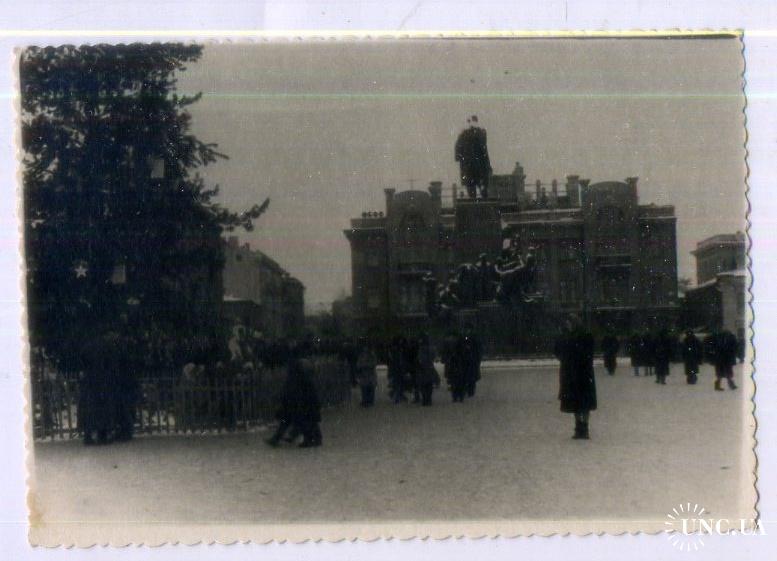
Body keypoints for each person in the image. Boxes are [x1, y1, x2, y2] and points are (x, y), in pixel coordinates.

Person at [266, 343, 322, 448]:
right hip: (303, 396)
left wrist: (286, 394)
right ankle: (311, 438)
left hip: (296, 398)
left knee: (296, 419)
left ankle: (307, 438)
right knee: (306, 418)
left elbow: (293, 383)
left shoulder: (295, 366)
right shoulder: (305, 363)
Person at [555, 315, 597, 440]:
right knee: (581, 403)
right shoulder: (581, 336)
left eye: (569, 323)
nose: (568, 325)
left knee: (579, 403)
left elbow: (559, 352)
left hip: (576, 374)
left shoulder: (570, 337)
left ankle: (581, 427)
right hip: (580, 374)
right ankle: (582, 427)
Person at [454, 115, 492, 199]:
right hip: (479, 166)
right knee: (483, 189)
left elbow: (457, 151)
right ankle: (484, 202)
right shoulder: (481, 133)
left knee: (472, 189)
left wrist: (460, 158)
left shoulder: (463, 134)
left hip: (468, 167)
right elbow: (484, 150)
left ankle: (476, 201)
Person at [416, 333, 440, 406]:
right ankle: (428, 399)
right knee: (429, 385)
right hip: (429, 367)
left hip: (422, 368)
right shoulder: (431, 348)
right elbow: (435, 358)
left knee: (423, 385)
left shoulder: (420, 348)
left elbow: (419, 358)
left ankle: (425, 399)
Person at [461, 324, 482, 398]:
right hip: (470, 360)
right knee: (470, 376)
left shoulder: (469, 337)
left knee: (469, 376)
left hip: (470, 360)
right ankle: (469, 390)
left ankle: (469, 390)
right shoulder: (472, 337)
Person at [355, 339, 378, 407]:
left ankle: (370, 401)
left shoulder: (372, 355)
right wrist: (362, 366)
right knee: (364, 387)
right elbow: (358, 364)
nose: (365, 349)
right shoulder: (361, 355)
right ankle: (365, 400)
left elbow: (373, 363)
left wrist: (365, 365)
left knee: (370, 387)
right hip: (364, 374)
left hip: (370, 374)